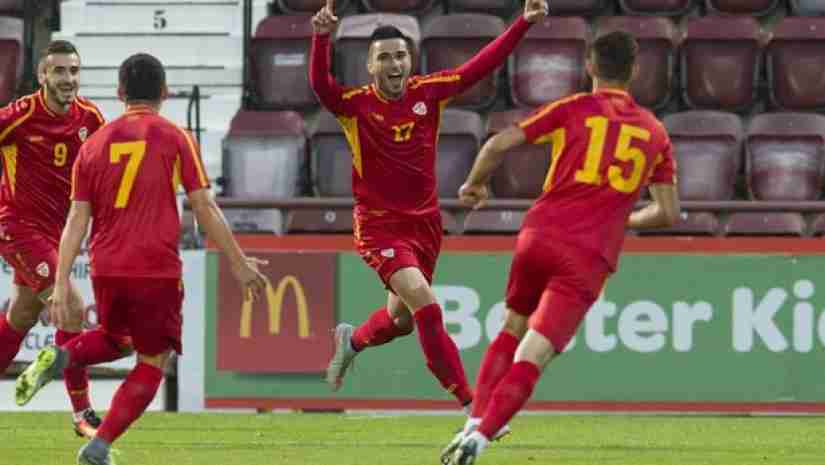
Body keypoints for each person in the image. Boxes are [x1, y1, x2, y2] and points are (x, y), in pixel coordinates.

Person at [14, 53, 268, 465]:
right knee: (152, 360)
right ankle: (98, 446)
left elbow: (76, 220)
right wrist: (238, 262)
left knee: (118, 340)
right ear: (164, 93)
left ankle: (64, 355)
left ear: (120, 93)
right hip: (156, 268)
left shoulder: (93, 144)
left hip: (105, 267)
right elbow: (203, 206)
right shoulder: (175, 136)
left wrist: (61, 281)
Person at [443, 31, 681, 465]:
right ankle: (481, 439)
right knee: (535, 352)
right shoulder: (654, 132)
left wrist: (473, 184)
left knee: (512, 326)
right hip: (589, 254)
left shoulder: (573, 108)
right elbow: (667, 213)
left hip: (539, 235)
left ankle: (473, 421)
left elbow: (497, 144)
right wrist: (620, 218)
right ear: (634, 71)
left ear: (589, 66)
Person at [310, 0, 548, 412]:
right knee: (427, 304)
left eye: (400, 56)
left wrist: (522, 23)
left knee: (401, 321)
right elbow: (320, 85)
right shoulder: (354, 106)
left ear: (410, 60)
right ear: (370, 66)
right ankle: (471, 403)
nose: (394, 64)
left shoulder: (429, 93)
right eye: (384, 57)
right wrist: (320, 39)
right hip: (379, 226)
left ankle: (352, 341)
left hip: (425, 227)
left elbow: (479, 67)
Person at [0, 40, 106, 438]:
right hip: (18, 228)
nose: (68, 79)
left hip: (57, 235)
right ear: (42, 75)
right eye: (59, 71)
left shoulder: (91, 118)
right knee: (72, 309)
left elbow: (105, 171)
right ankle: (82, 413)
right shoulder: (20, 115)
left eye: (73, 71)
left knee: (22, 315)